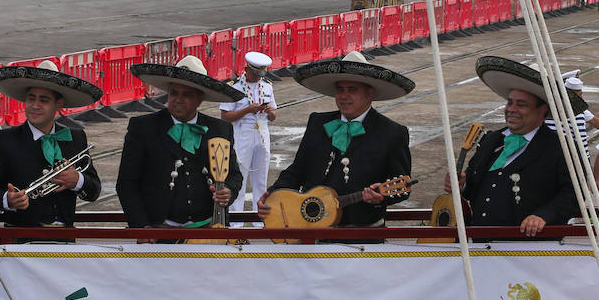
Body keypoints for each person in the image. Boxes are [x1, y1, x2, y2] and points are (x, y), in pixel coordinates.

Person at [262, 51, 414, 228]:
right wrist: (273, 194)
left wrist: (381, 198)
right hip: (311, 226)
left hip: (363, 232)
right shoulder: (318, 122)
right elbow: (297, 170)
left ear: (369, 94)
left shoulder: (392, 132)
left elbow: (402, 184)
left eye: (352, 90)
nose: (344, 96)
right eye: (340, 89)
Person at [453, 56, 580, 235]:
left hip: (529, 249)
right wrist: (462, 186)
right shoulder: (491, 140)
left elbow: (575, 194)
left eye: (521, 104)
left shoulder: (562, 148)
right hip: (479, 245)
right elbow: (473, 187)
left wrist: (543, 216)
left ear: (542, 110)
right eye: (509, 102)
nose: (511, 109)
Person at [117, 56, 242, 230]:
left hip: (210, 229)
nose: (178, 99)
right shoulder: (143, 128)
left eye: (187, 95)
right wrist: (141, 227)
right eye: (174, 93)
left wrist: (228, 191)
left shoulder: (220, 129)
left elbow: (235, 175)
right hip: (159, 231)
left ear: (200, 99)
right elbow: (126, 183)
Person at [0, 60, 103, 226]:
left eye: (43, 100)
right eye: (31, 99)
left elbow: (94, 191)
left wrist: (77, 180)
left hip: (65, 241)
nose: (35, 106)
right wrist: (7, 200)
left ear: (58, 104)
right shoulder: (3, 140)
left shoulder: (76, 137)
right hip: (21, 240)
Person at [219, 51, 277, 210]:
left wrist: (270, 113)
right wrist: (247, 110)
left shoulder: (267, 86)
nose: (258, 77)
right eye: (255, 73)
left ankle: (259, 219)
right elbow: (225, 115)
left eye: (260, 73)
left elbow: (274, 114)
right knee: (240, 177)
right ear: (246, 69)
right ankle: (236, 220)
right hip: (243, 132)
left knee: (261, 178)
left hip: (262, 132)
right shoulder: (234, 87)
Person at [544, 73, 599, 148]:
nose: (581, 97)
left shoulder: (548, 106)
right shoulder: (578, 110)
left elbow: (595, 121)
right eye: (579, 94)